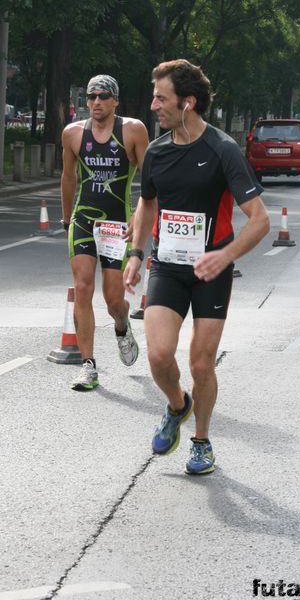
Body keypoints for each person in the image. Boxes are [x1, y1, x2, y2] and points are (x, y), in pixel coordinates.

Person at [123, 59, 270, 473]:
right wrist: (135, 253)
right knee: (158, 355)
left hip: (212, 271)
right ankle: (177, 405)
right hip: (168, 266)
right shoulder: (156, 152)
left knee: (201, 363)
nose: (154, 105)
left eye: (161, 98)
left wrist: (226, 255)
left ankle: (202, 442)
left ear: (188, 103)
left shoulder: (222, 150)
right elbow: (147, 202)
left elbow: (259, 220)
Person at [61, 74, 149, 391]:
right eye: (91, 97)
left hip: (117, 226)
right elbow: (67, 178)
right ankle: (88, 365)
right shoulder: (72, 134)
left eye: (103, 96)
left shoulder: (134, 130)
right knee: (82, 288)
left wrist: (141, 220)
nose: (96, 102)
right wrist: (65, 218)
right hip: (83, 220)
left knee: (113, 299)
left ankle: (122, 326)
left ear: (115, 101)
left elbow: (151, 183)